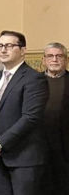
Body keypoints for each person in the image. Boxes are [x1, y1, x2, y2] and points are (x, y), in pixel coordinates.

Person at [0, 31, 48, 195]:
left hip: (24, 158)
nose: (3, 50)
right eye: (0, 46)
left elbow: (30, 118)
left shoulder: (34, 78)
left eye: (9, 46)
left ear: (23, 50)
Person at [41, 42, 69, 194]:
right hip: (39, 143)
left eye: (59, 56)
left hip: (65, 144)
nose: (55, 59)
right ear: (43, 60)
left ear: (66, 59)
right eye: (50, 56)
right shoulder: (34, 81)